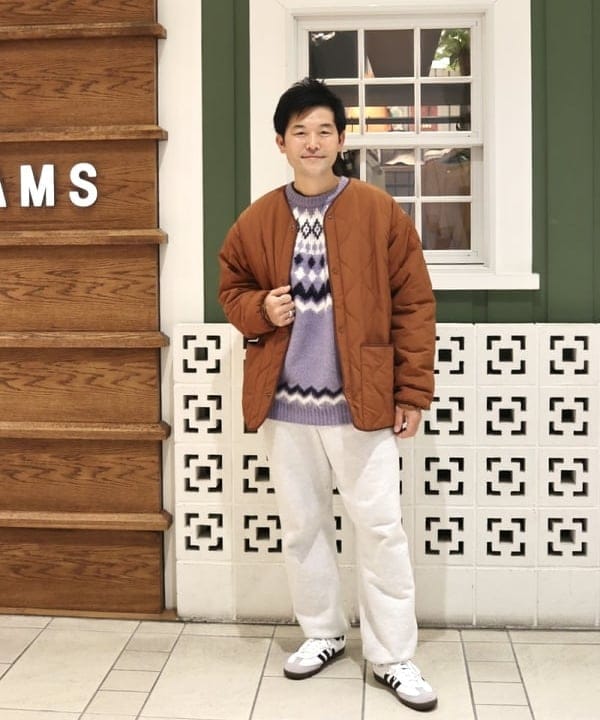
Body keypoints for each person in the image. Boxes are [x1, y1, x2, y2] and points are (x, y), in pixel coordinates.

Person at [218, 78, 437, 712]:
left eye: (323, 131)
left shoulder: (378, 211)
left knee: (381, 529)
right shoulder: (258, 218)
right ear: (281, 143)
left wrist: (411, 393)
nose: (312, 142)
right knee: (302, 527)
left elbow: (414, 305)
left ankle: (392, 655)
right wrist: (261, 309)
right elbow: (231, 288)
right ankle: (322, 633)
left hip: (360, 404)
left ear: (341, 140)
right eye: (299, 132)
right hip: (284, 406)